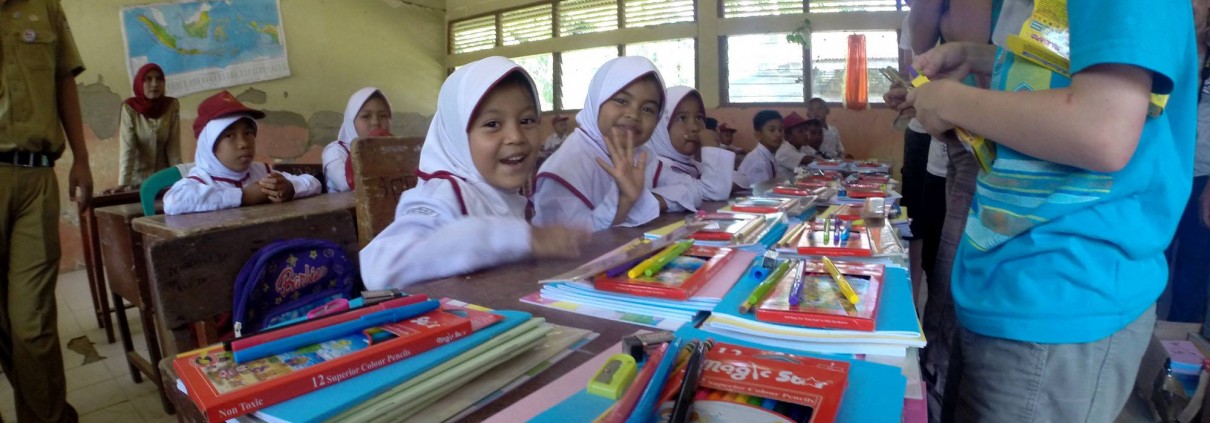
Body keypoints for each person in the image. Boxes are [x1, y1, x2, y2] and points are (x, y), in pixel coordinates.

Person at [903, 1, 1195, 420]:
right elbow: (1069, 62)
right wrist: (980, 57)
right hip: (1012, 278)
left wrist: (953, 101)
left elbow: (1102, 129)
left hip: (1063, 288)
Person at [361, 57, 586, 289]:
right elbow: (378, 267)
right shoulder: (442, 195)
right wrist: (519, 237)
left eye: (527, 120)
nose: (516, 136)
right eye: (492, 124)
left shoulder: (505, 194)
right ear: (458, 135)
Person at [0, 0, 88, 420]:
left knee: (32, 325)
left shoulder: (44, 6)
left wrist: (83, 158)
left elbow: (63, 80)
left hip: (35, 178)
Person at [532, 57, 665, 232]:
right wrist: (625, 199)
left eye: (648, 109)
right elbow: (569, 239)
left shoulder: (641, 155)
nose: (634, 115)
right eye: (621, 101)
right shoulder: (568, 164)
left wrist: (626, 200)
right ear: (597, 100)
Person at [164, 91, 322, 215]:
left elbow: (313, 182)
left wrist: (290, 188)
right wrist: (243, 196)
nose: (243, 143)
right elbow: (173, 201)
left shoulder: (262, 172)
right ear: (209, 145)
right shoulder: (200, 180)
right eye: (229, 135)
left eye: (248, 133)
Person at [647, 86, 735, 211]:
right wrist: (711, 149)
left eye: (699, 118)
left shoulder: (691, 164)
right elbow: (715, 190)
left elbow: (743, 178)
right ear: (661, 126)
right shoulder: (656, 167)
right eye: (682, 118)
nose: (695, 127)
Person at [110, 63, 180, 193]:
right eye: (148, 79)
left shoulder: (171, 106)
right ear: (139, 83)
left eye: (159, 79)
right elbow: (128, 147)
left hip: (163, 181)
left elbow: (174, 148)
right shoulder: (129, 108)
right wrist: (123, 183)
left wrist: (180, 180)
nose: (154, 84)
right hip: (137, 182)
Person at [322, 88, 393, 192]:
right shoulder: (336, 151)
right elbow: (348, 185)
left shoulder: (395, 149)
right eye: (366, 116)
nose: (376, 122)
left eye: (383, 116)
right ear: (351, 121)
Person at [734, 110, 782, 188]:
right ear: (758, 135)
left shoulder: (769, 155)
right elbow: (762, 191)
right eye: (772, 130)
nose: (778, 134)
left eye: (780, 129)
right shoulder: (758, 161)